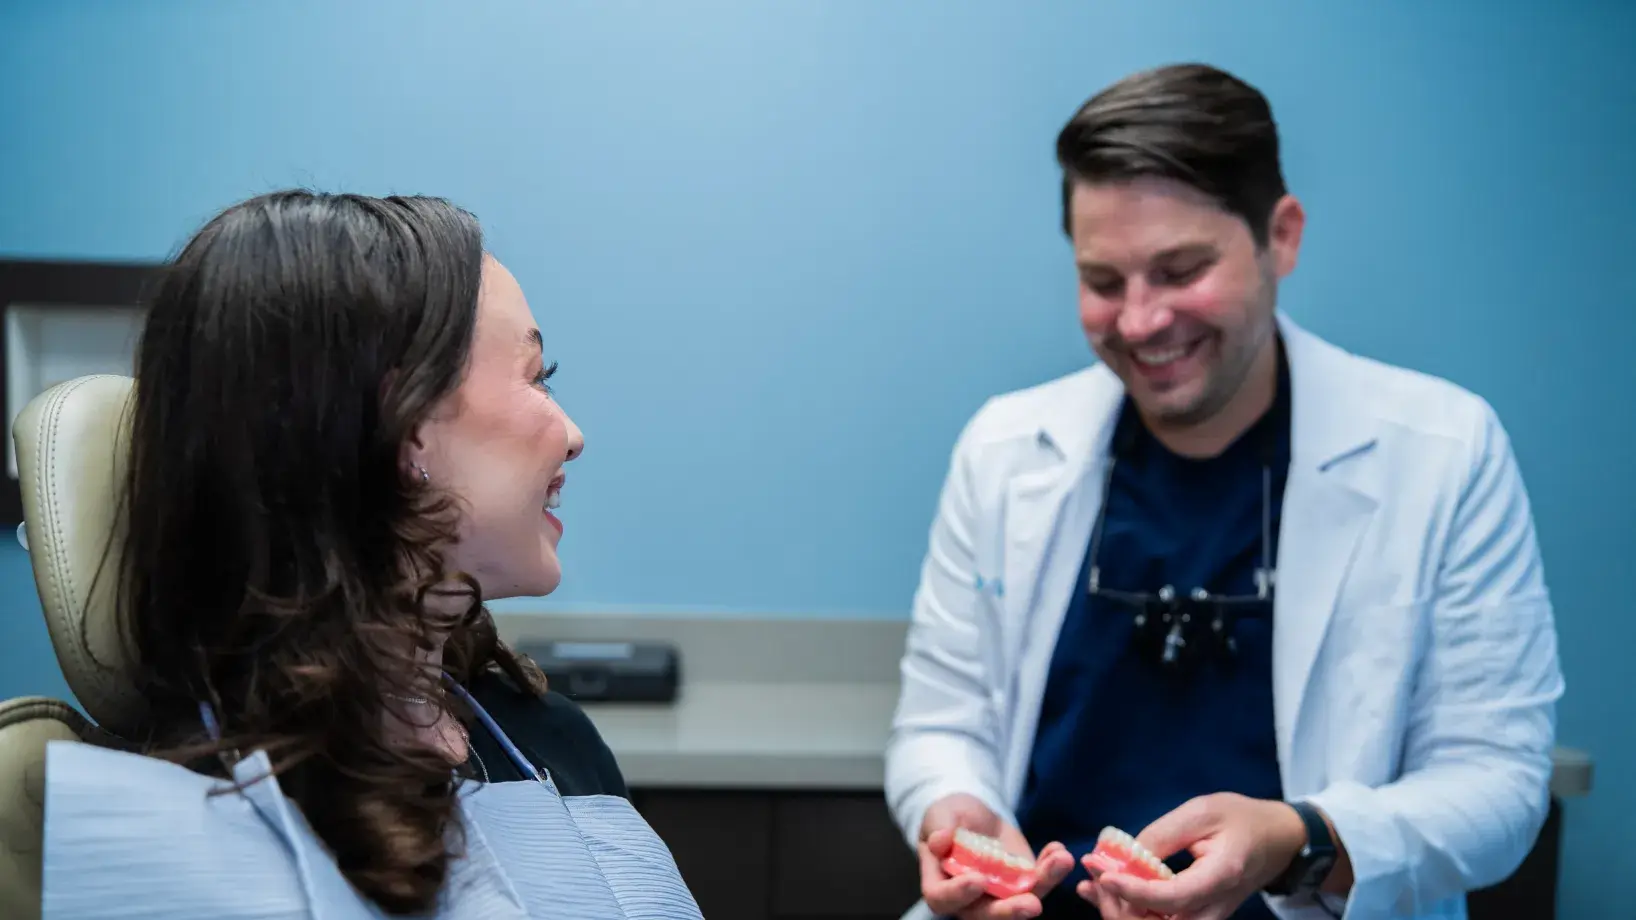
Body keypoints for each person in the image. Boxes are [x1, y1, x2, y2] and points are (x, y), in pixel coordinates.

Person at [885, 63, 1563, 920]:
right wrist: (952, 810)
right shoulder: (1004, 448)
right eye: (1102, 282)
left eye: (1179, 270)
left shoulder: (1443, 452)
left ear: (1280, 235)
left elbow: (1497, 787)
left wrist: (1301, 839)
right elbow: (940, 726)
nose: (1138, 322)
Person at [39, 190, 705, 919]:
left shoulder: (548, 733)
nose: (572, 434)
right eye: (534, 376)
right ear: (404, 425)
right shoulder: (184, 839)